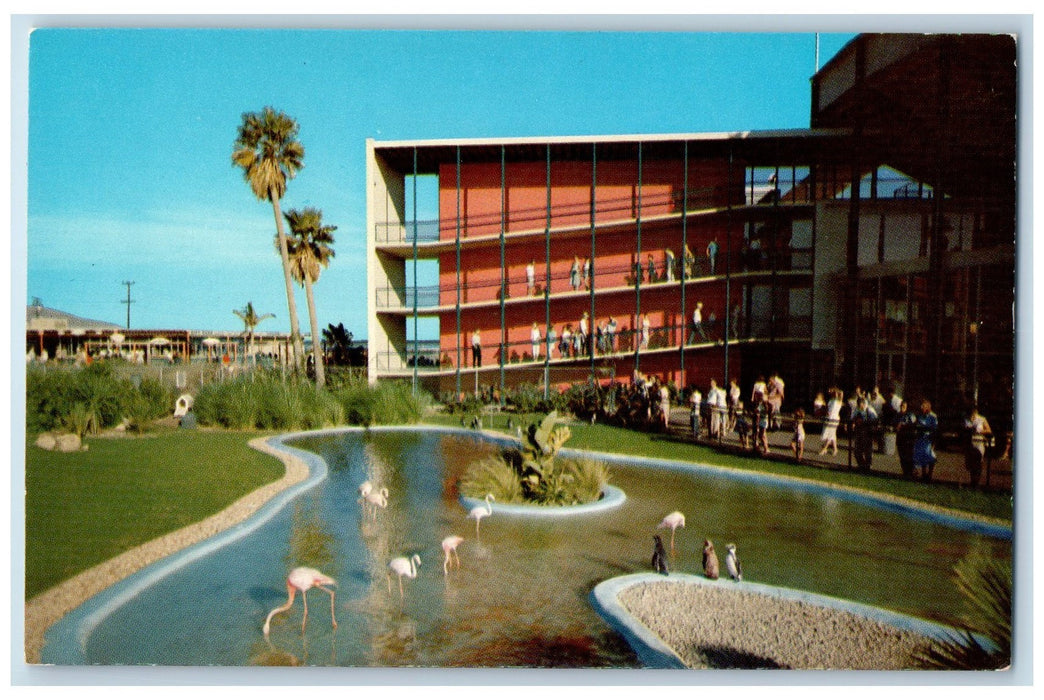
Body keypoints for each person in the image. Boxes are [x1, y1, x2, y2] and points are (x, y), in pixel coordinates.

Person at [964, 406, 993, 488]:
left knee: (978, 462)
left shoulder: (982, 419)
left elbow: (989, 430)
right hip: (969, 442)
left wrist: (981, 431)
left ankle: (976, 481)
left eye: (973, 413)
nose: (972, 415)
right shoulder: (966, 419)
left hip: (979, 442)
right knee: (970, 463)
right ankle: (972, 481)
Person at [913, 400, 939, 482]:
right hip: (920, 439)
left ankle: (930, 474)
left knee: (931, 457)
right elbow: (917, 426)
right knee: (922, 456)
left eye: (923, 406)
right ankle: (923, 474)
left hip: (928, 440)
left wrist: (933, 443)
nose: (921, 408)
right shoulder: (920, 416)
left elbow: (935, 430)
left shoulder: (933, 416)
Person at [851, 396, 877, 471]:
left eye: (861, 403)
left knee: (868, 451)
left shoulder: (870, 410)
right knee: (857, 451)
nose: (860, 406)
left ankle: (868, 466)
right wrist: (854, 422)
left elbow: (874, 421)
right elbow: (852, 418)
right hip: (859, 432)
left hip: (868, 433)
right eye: (859, 404)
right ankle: (861, 466)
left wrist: (864, 423)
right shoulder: (857, 410)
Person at [895, 400, 918, 480]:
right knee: (902, 457)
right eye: (901, 406)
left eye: (904, 406)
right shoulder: (898, 415)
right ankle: (905, 472)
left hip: (908, 439)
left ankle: (911, 472)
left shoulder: (910, 415)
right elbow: (894, 425)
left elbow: (914, 425)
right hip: (900, 439)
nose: (902, 408)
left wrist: (904, 425)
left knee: (909, 457)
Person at [819, 388, 843, 456]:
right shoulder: (831, 400)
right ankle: (835, 449)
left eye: (835, 393)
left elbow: (841, 392)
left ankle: (824, 449)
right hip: (828, 418)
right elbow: (828, 409)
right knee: (830, 434)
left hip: (834, 418)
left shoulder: (839, 400)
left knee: (831, 434)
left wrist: (835, 390)